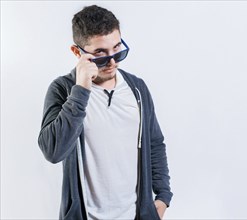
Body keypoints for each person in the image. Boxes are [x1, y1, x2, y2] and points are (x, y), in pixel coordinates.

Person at [38, 4, 173, 220]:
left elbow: (154, 143)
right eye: (100, 54)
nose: (112, 62)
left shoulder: (137, 89)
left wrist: (163, 196)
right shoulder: (63, 90)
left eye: (118, 50)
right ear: (77, 52)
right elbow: (53, 151)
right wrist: (81, 89)